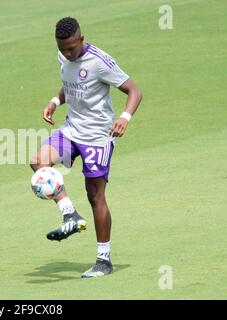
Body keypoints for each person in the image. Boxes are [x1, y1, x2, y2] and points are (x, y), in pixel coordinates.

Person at [30, 17, 142, 278]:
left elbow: (134, 91)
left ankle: (104, 260)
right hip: (71, 130)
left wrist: (124, 119)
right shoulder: (64, 57)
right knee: (38, 162)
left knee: (95, 196)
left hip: (98, 137)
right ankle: (70, 214)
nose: (67, 54)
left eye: (71, 48)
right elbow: (71, 86)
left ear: (81, 39)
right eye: (62, 49)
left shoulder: (100, 62)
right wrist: (55, 102)